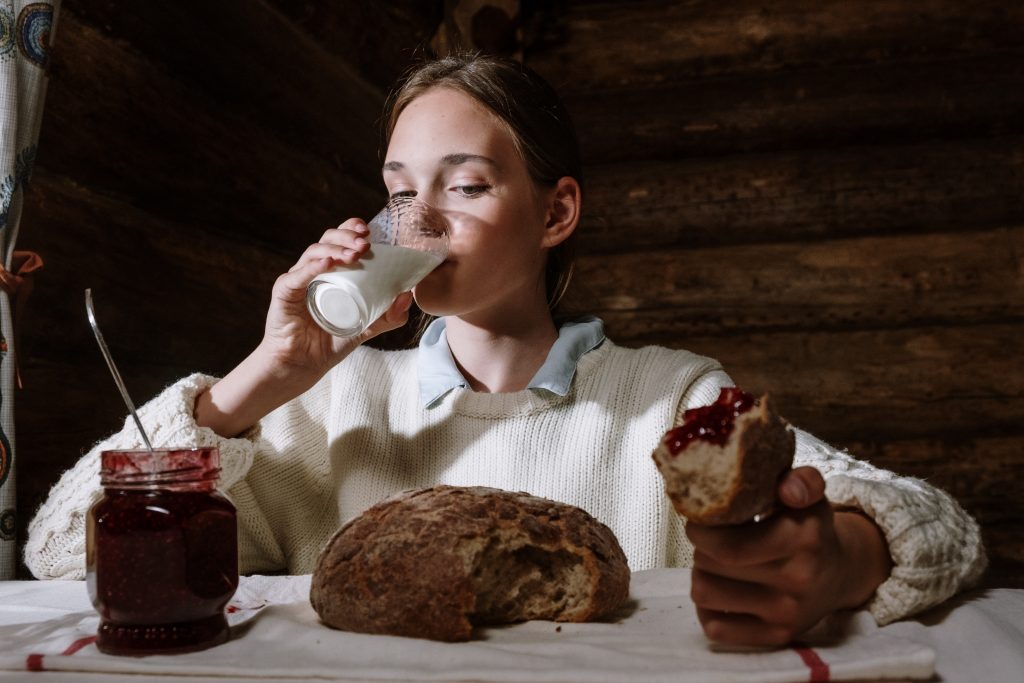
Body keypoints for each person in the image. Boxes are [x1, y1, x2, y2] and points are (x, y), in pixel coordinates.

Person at [26, 52, 985, 647]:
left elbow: (939, 527)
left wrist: (841, 555)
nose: (421, 219)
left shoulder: (665, 394)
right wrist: (260, 380)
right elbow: (66, 551)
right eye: (400, 192)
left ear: (555, 211)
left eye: (468, 186)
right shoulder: (331, 400)